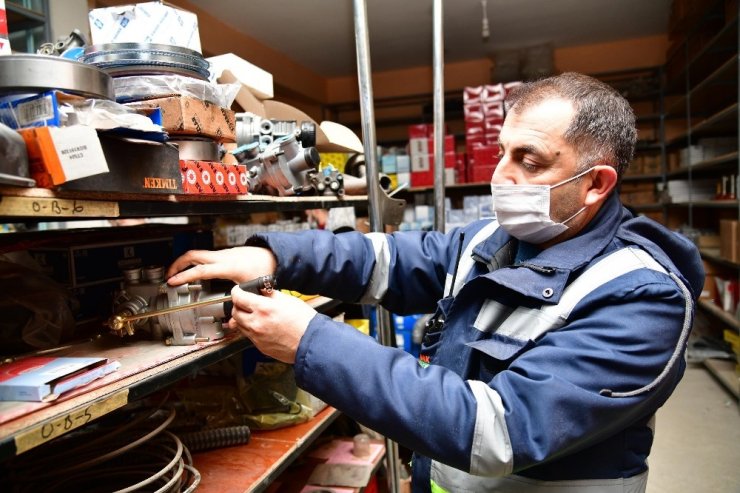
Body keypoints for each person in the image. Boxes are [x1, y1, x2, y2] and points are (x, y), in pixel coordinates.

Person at [167, 72, 704, 493]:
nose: (501, 176)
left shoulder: (641, 295)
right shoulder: (494, 241)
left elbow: (500, 431)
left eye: (529, 160)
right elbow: (386, 260)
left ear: (595, 184)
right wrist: (268, 254)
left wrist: (310, 341)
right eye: (501, 152)